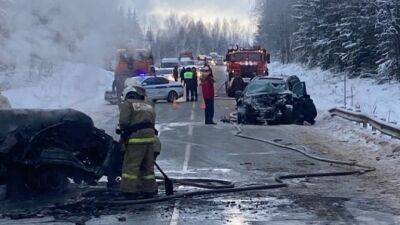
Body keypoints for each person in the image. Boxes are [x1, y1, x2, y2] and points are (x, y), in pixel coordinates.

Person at [118, 87, 158, 198]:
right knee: (147, 165)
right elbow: (152, 120)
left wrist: (124, 132)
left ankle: (128, 190)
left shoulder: (128, 104)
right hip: (150, 137)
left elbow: (124, 121)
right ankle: (150, 189)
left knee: (131, 165)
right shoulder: (148, 104)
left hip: (137, 137)